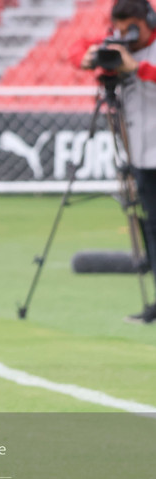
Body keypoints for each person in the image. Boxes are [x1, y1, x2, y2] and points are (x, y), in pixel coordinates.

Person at [70, 0, 156, 323]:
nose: (126, 34)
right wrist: (89, 56)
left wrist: (137, 68)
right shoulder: (118, 44)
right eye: (120, 28)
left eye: (132, 27)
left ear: (148, 19)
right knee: (151, 224)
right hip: (140, 153)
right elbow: (77, 49)